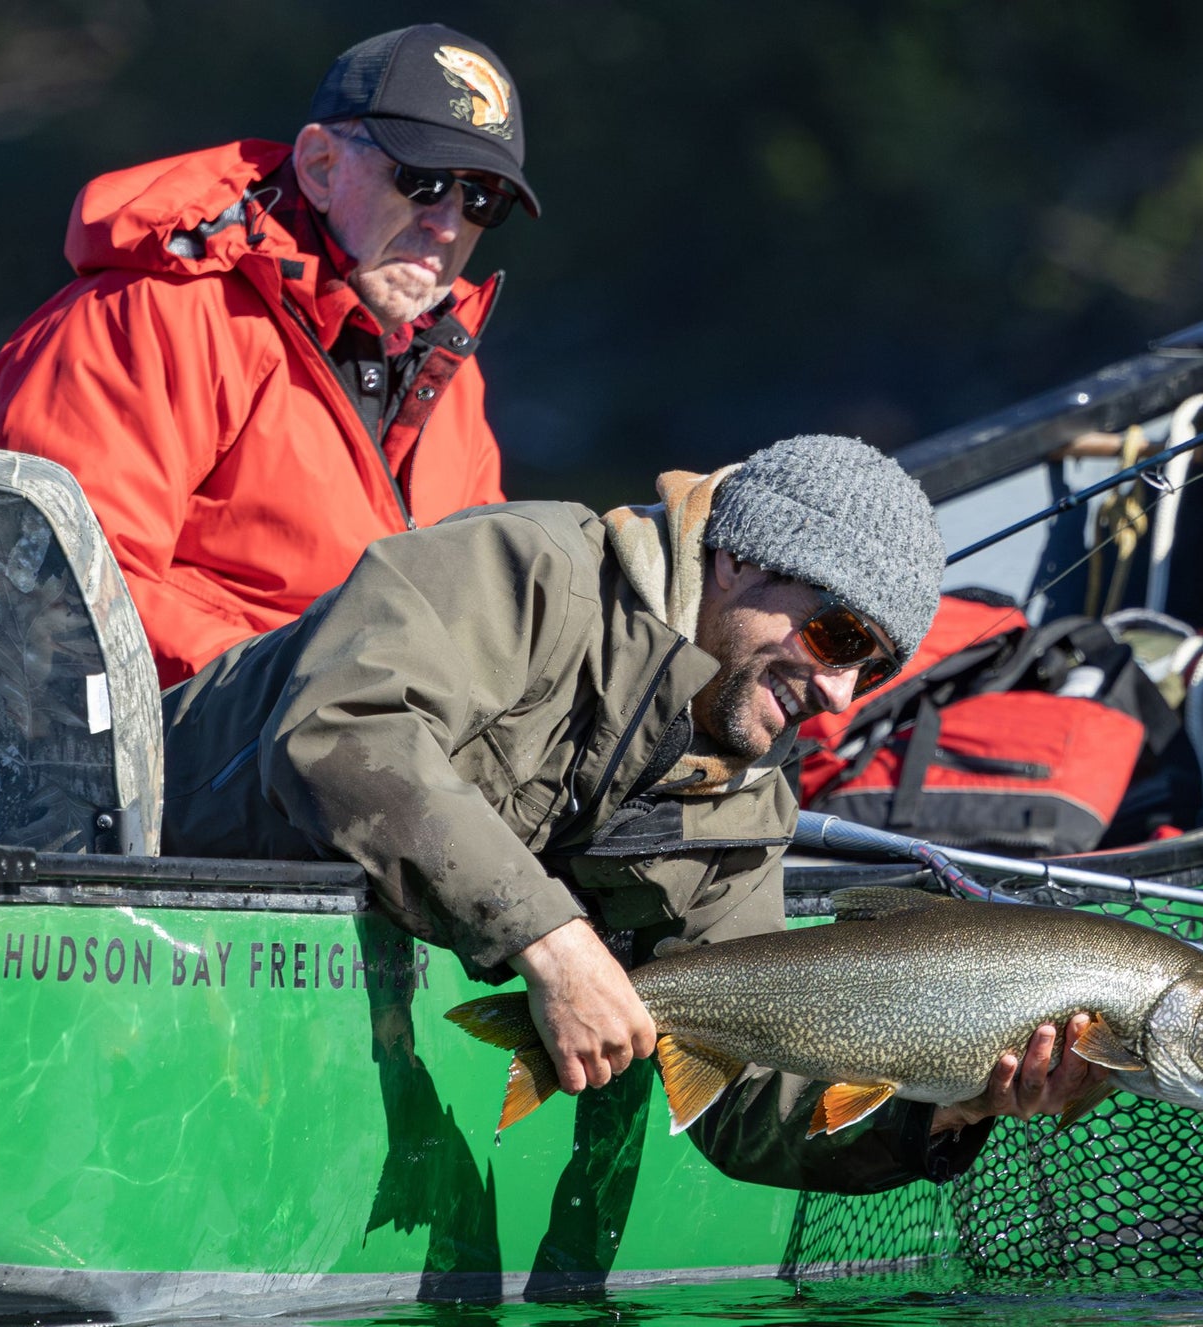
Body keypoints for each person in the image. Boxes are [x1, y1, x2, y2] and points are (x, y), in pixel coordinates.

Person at [159, 436, 1107, 1191]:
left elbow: (748, 1102)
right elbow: (339, 728)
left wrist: (943, 1112)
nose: (840, 693)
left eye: (873, 666)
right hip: (126, 884)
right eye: (838, 634)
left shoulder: (744, 801)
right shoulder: (527, 568)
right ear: (738, 560)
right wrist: (552, 940)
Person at [0, 24, 537, 685]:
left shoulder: (450, 365)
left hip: (373, 737)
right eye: (421, 180)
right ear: (320, 167)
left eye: (482, 199)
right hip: (193, 754)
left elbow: (483, 604)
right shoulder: (151, 316)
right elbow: (68, 589)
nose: (447, 223)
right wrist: (313, 682)